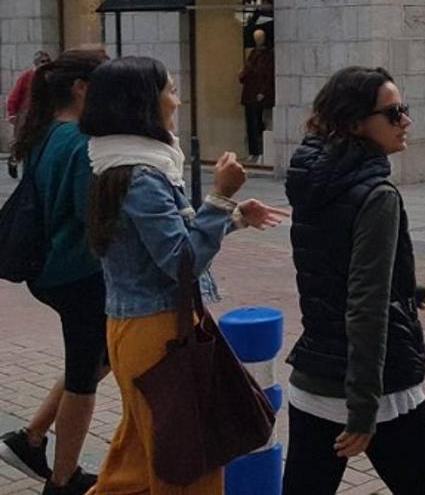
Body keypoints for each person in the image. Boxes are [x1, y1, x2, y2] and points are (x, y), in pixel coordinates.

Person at [80, 56, 288, 495]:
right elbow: (181, 261)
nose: (177, 98)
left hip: (142, 328)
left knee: (137, 461)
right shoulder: (141, 176)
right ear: (143, 103)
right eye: (170, 89)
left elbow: (160, 242)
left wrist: (232, 217)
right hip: (158, 332)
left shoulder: (118, 164)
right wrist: (220, 197)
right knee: (185, 464)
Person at [282, 66, 425, 495]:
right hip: (375, 388)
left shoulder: (314, 180)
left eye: (403, 110)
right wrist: (363, 408)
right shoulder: (377, 195)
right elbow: (364, 306)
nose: (405, 121)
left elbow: (331, 268)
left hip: (314, 377)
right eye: (393, 113)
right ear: (355, 123)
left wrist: (406, 290)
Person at [0, 49, 108, 495]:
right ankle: (63, 479)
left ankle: (30, 438)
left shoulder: (47, 132)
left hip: (51, 270)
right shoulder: (81, 143)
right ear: (81, 88)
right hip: (76, 273)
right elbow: (95, 220)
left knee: (100, 358)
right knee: (86, 374)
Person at [7, 51, 52, 178]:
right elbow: (14, 96)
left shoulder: (49, 76)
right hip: (26, 114)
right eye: (43, 61)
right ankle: (14, 161)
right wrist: (12, 114)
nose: (46, 64)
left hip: (43, 114)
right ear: (36, 63)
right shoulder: (27, 76)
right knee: (21, 141)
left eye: (48, 61)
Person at [239, 28, 275, 164]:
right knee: (251, 125)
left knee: (259, 124)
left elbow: (268, 75)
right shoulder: (253, 54)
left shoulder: (267, 56)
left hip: (259, 95)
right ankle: (253, 151)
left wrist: (263, 92)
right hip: (250, 93)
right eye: (256, 38)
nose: (257, 40)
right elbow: (245, 75)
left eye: (260, 37)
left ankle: (260, 152)